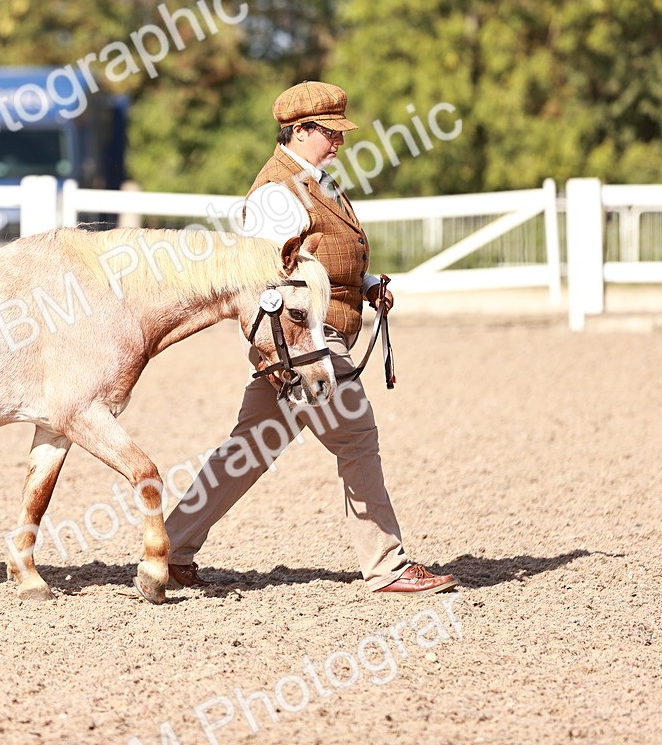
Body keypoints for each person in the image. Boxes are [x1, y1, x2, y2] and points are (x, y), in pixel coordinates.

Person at [163, 80, 456, 595]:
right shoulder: (276, 195)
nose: (339, 140)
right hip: (306, 342)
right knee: (356, 437)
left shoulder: (316, 182)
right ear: (299, 131)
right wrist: (300, 350)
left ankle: (167, 550)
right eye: (330, 132)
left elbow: (319, 260)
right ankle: (386, 566)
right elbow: (277, 281)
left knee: (248, 449)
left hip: (310, 338)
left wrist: (366, 284)